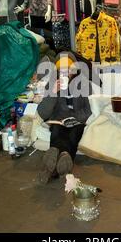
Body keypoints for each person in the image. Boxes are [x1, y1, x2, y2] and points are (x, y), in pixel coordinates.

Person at [37, 52, 92, 184]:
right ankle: (61, 164)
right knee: (56, 133)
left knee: (73, 135)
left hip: (77, 122)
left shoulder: (84, 83)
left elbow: (89, 110)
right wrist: (52, 93)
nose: (65, 73)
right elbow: (43, 112)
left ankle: (52, 170)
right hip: (58, 121)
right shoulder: (52, 84)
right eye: (62, 70)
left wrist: (75, 118)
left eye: (68, 69)